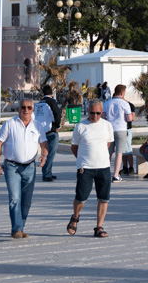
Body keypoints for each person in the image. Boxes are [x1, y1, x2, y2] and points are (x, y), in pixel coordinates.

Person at [0, 98, 47, 238]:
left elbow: (44, 144)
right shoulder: (9, 124)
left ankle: (20, 228)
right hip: (12, 166)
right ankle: (16, 229)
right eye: (23, 107)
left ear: (32, 110)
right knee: (15, 198)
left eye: (29, 108)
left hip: (30, 167)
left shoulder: (38, 126)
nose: (26, 110)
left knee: (26, 201)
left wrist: (44, 155)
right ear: (18, 109)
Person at [67, 99, 115, 238]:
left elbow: (107, 144)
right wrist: (83, 160)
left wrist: (99, 158)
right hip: (85, 168)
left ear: (102, 112)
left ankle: (99, 227)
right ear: (87, 110)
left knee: (104, 198)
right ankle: (75, 217)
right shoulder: (81, 126)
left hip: (103, 167)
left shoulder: (107, 125)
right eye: (92, 112)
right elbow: (74, 147)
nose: (95, 116)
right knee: (81, 197)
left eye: (98, 113)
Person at [103, 84, 135, 180]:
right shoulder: (125, 104)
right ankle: (116, 175)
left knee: (108, 153)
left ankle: (106, 173)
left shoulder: (107, 103)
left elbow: (103, 117)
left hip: (109, 130)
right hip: (121, 130)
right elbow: (129, 118)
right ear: (122, 93)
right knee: (119, 153)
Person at [35, 84, 63, 182]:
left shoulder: (39, 104)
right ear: (51, 93)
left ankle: (48, 172)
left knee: (45, 153)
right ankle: (46, 174)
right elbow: (57, 114)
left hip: (41, 131)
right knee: (50, 154)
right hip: (51, 131)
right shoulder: (51, 102)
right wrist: (57, 126)